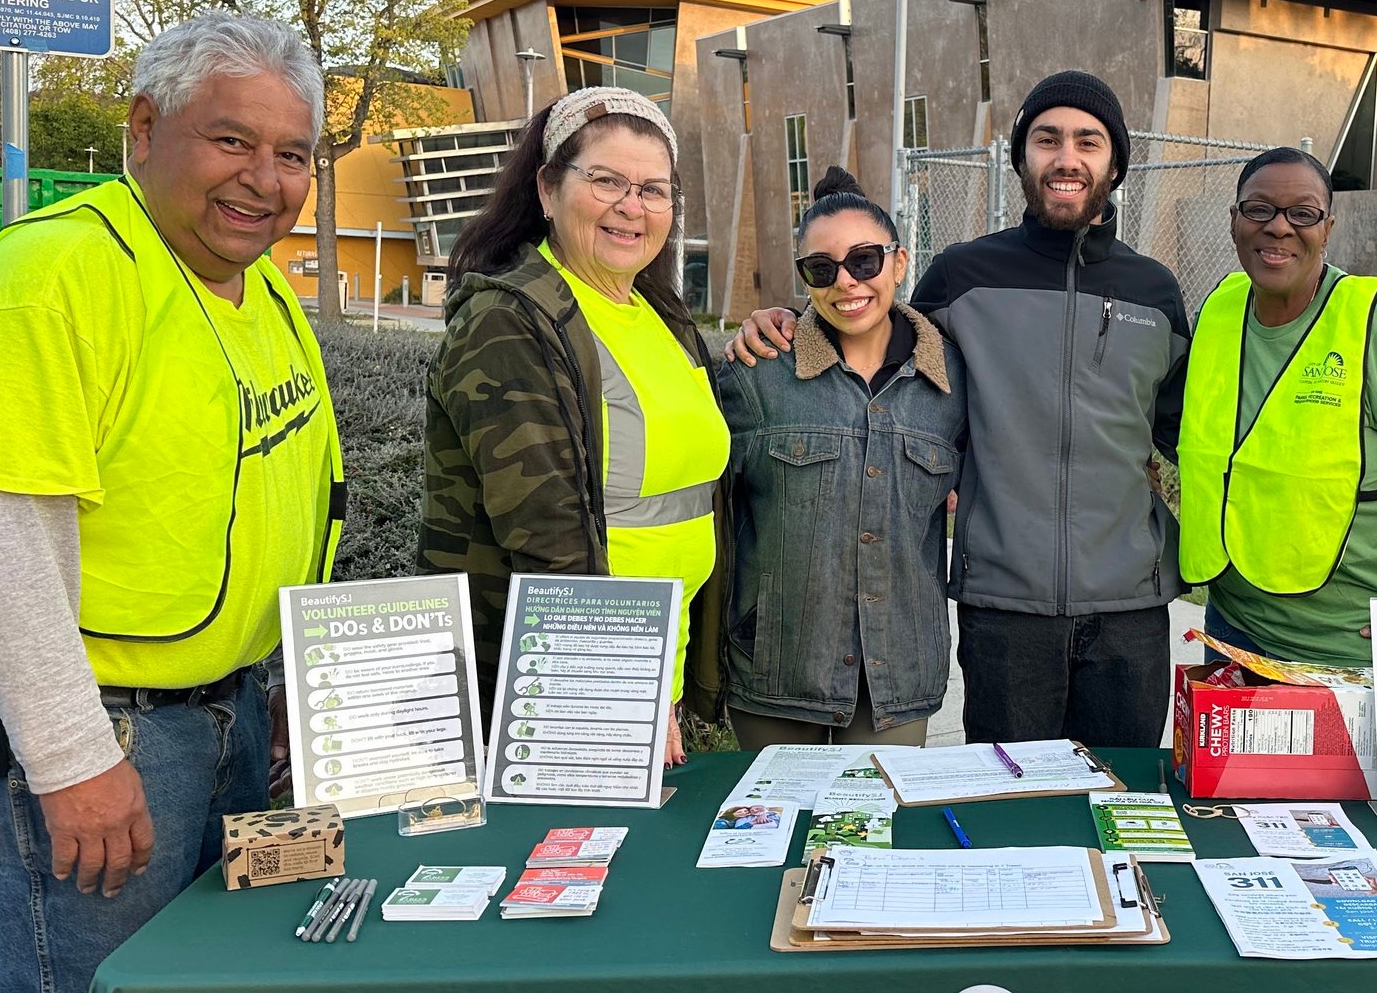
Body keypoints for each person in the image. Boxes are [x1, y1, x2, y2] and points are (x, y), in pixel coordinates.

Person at [0, 12, 346, 993]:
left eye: (292, 152)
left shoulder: (252, 285)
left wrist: (295, 700)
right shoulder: (53, 275)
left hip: (237, 727)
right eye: (231, 139)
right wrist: (68, 755)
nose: (264, 179)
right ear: (144, 131)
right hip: (101, 753)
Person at [730, 70, 1186, 747]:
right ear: (1022, 159)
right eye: (1047, 139)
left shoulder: (1157, 292)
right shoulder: (963, 274)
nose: (1067, 158)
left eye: (1088, 142)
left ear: (1115, 163)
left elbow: (1185, 435)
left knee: (1121, 801)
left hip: (1131, 607)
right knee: (1008, 807)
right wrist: (782, 322)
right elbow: (868, 325)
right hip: (1004, 607)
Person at [421, 87, 727, 758]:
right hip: (561, 693)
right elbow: (548, 533)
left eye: (653, 189)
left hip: (649, 675)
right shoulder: (508, 321)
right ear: (548, 189)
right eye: (607, 181)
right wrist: (623, 694)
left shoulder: (659, 313)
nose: (632, 206)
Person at [1178, 146, 1377, 671]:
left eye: (1302, 214)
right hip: (1232, 630)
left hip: (1345, 654)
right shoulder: (1219, 309)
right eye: (1259, 210)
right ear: (1234, 222)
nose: (1279, 228)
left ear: (1327, 228)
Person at [717, 166, 966, 750]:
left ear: (899, 263)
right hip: (779, 669)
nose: (847, 282)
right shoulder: (754, 375)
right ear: (804, 279)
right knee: (775, 830)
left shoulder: (954, 382)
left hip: (897, 677)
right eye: (822, 269)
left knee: (874, 832)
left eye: (865, 261)